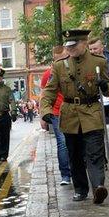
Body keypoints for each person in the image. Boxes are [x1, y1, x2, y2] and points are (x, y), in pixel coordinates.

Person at [40, 29, 109, 204]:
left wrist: (104, 85)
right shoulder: (59, 66)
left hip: (92, 113)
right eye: (68, 46)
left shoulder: (99, 62)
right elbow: (49, 91)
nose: (70, 49)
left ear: (84, 43)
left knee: (95, 153)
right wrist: (45, 110)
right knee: (74, 154)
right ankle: (81, 189)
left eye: (74, 45)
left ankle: (98, 188)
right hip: (70, 115)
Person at [40, 46, 71, 185]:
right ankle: (65, 175)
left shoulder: (72, 69)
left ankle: (77, 170)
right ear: (54, 59)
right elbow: (44, 95)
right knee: (63, 143)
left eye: (64, 58)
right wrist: (42, 116)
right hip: (57, 112)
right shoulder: (48, 74)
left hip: (73, 110)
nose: (61, 62)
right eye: (58, 59)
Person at [88, 36, 109, 165]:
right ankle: (102, 159)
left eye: (95, 48)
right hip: (96, 103)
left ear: (101, 47)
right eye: (90, 49)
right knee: (97, 132)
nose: (93, 51)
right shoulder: (86, 63)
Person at [0, 68, 17, 162]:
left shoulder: (7, 89)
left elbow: (12, 100)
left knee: (5, 135)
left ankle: (4, 155)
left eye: (0, 76)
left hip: (5, 115)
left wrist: (14, 112)